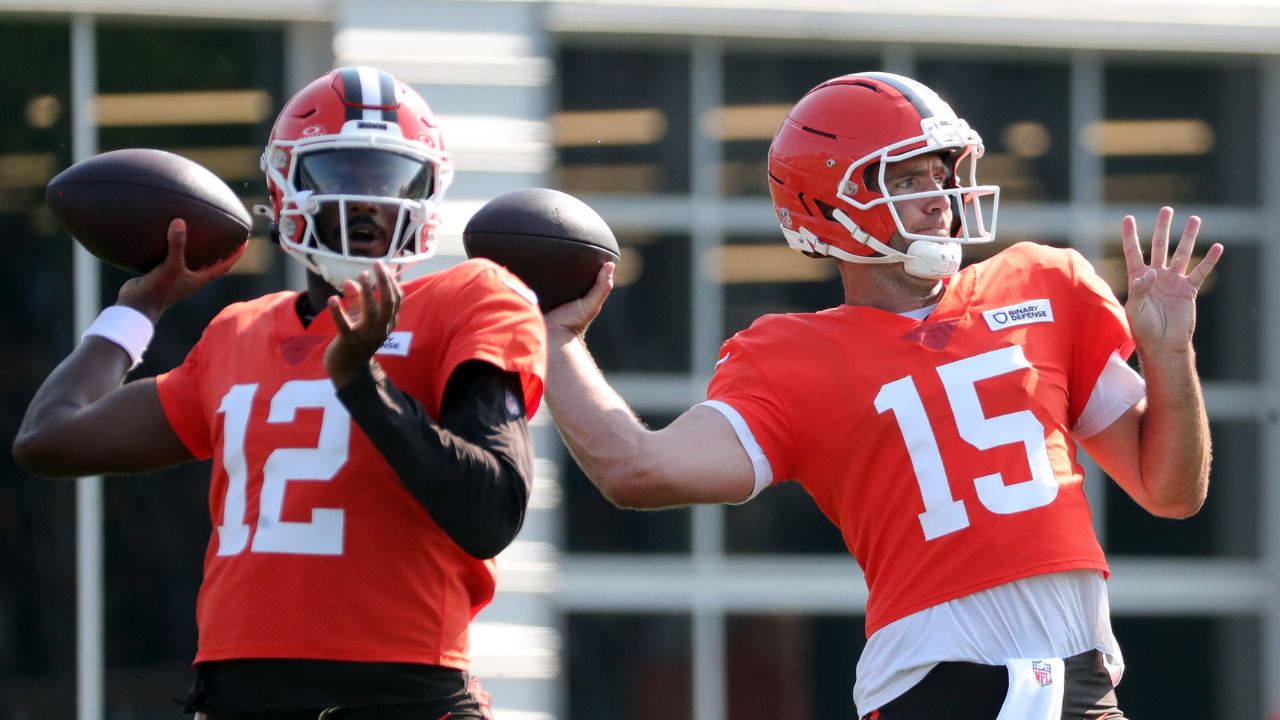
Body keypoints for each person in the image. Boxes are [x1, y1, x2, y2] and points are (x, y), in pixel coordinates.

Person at [542, 71, 1223, 718]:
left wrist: (1171, 355)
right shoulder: (786, 355)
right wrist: (553, 339)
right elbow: (636, 469)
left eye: (941, 172)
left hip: (1080, 678)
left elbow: (1171, 490)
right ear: (826, 201)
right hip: (937, 685)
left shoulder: (1046, 283)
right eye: (905, 176)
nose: (937, 194)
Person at [13, 66, 546, 719]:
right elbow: (48, 437)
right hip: (241, 699)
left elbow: (489, 512)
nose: (370, 200)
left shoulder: (471, 298)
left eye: (392, 178)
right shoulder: (240, 330)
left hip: (399, 699)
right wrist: (138, 310)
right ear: (283, 186)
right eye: (344, 173)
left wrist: (361, 380)